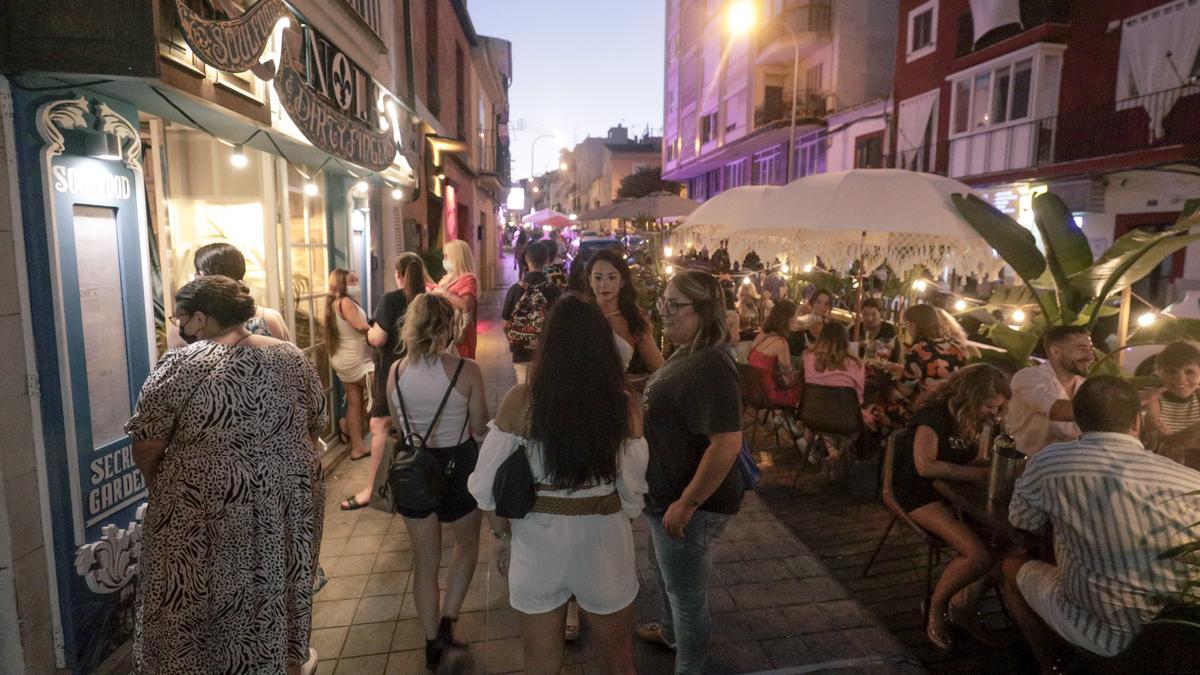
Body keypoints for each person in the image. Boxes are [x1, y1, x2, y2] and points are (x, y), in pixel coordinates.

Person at [128, 275, 326, 673]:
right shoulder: (291, 356)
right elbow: (315, 422)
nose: (180, 326)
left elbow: (147, 443)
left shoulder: (181, 365)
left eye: (180, 318)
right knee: (271, 586)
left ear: (200, 318)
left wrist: (161, 487)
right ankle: (274, 661)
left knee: (196, 595)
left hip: (202, 507)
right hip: (284, 501)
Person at [470, 295, 647, 675]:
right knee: (618, 663)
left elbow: (486, 486)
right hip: (604, 542)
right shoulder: (623, 406)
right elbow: (633, 491)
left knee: (540, 663)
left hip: (537, 546)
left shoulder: (521, 401)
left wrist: (500, 536)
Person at [1002, 376, 1200, 669]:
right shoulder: (1189, 480)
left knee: (1010, 566)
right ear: (1137, 421)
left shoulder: (1050, 462)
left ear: (1079, 421)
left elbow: (1022, 521)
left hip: (1105, 633)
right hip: (1180, 633)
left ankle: (1050, 665)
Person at [636, 271, 743, 674]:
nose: (663, 311)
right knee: (667, 575)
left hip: (692, 503)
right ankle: (670, 633)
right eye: (663, 302)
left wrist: (686, 504)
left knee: (687, 597)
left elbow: (726, 444)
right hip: (666, 494)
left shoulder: (711, 363)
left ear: (703, 310)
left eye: (674, 305)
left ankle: (689, 666)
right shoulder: (689, 352)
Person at [387, 293, 489, 670]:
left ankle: (431, 643)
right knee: (467, 545)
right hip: (459, 465)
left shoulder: (395, 371)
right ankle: (448, 621)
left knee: (425, 561)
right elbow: (479, 425)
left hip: (415, 469)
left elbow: (400, 427)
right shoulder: (466, 370)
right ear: (449, 326)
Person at [892, 364, 1011, 651]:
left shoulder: (974, 419)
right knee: (977, 554)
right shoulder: (933, 416)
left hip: (952, 490)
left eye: (998, 408)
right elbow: (925, 466)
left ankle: (963, 604)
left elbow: (974, 459)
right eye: (989, 406)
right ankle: (936, 608)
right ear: (970, 396)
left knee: (1008, 545)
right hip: (918, 491)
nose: (993, 413)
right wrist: (977, 475)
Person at [339, 253, 428, 510]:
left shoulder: (391, 299)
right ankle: (421, 483)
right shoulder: (428, 299)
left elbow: (378, 338)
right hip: (424, 372)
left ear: (398, 273)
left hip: (393, 374)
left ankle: (373, 489)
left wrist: (369, 334)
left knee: (379, 425)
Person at [167, 242, 289, 347]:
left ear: (202, 276)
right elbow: (288, 362)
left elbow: (174, 364)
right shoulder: (270, 317)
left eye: (196, 273)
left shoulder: (189, 326)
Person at [1005, 325, 1092, 456]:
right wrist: (1108, 409)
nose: (1090, 357)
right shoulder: (1029, 377)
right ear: (1055, 352)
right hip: (1028, 465)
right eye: (1081, 349)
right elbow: (1057, 411)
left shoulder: (1085, 386)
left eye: (1090, 350)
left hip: (1069, 464)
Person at [587, 249, 665, 382]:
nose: (603, 284)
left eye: (612, 278)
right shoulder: (580, 315)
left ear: (622, 281)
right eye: (598, 278)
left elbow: (659, 367)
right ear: (590, 280)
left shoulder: (633, 319)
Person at [325, 268, 374, 462]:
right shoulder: (345, 302)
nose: (356, 283)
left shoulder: (333, 303)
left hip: (342, 359)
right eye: (351, 281)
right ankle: (380, 437)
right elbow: (360, 326)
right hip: (357, 360)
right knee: (381, 396)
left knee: (355, 403)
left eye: (356, 279)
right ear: (341, 284)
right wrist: (379, 329)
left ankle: (357, 447)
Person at [503, 239, 562, 384]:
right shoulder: (553, 291)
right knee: (544, 389)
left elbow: (505, 324)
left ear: (526, 259)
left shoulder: (514, 290)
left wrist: (515, 340)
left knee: (524, 389)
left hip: (521, 353)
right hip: (546, 352)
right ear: (547, 260)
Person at [1144, 341, 1200, 465]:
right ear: (1160, 372)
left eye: (1189, 372)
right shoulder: (1153, 400)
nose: (1180, 379)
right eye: (1171, 371)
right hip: (1165, 466)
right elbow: (1166, 444)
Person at [898, 303, 967, 400]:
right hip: (952, 402)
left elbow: (906, 385)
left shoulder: (918, 349)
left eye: (907, 324)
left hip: (927, 403)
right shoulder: (957, 346)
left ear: (913, 324)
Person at [747, 299, 801, 408]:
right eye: (795, 316)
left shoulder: (762, 336)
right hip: (768, 395)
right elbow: (787, 378)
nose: (797, 319)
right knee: (805, 385)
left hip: (752, 392)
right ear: (788, 319)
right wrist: (803, 371)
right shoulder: (781, 343)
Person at [435, 239, 479, 358]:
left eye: (447, 256)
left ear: (457, 257)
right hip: (445, 330)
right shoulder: (448, 277)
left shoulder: (468, 278)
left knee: (460, 364)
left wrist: (444, 293)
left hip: (459, 333)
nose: (444, 260)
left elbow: (465, 305)